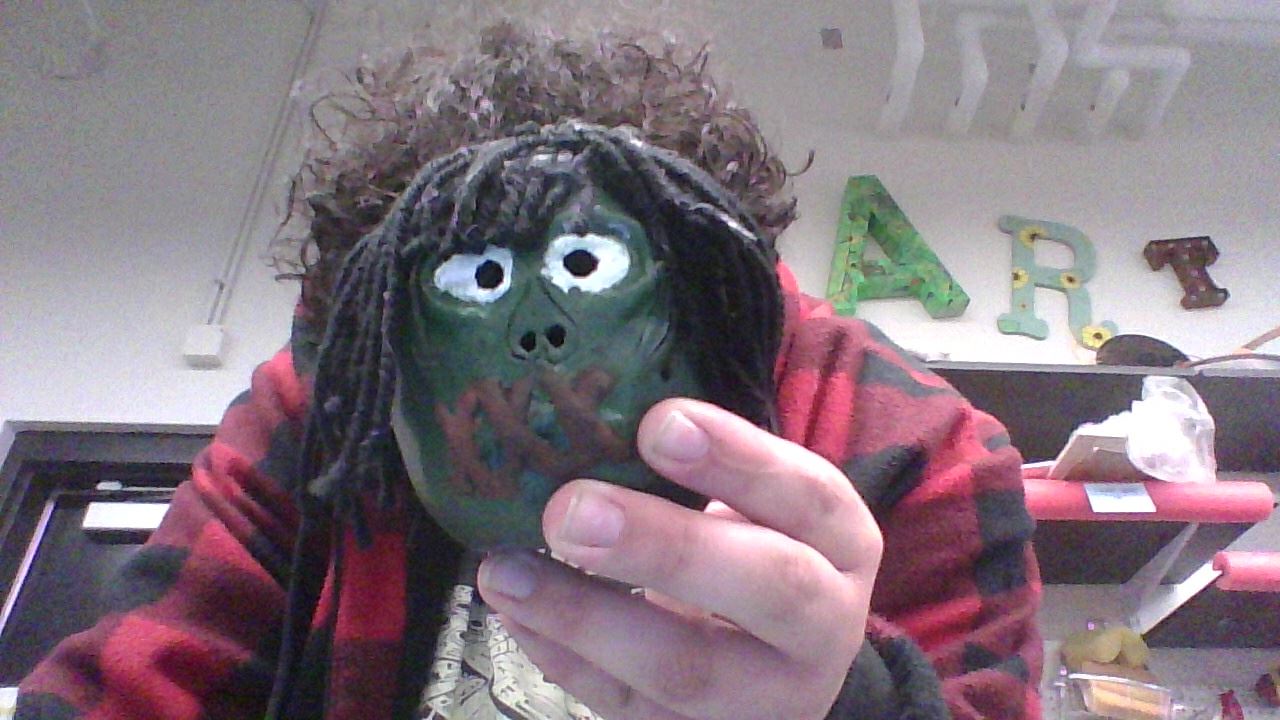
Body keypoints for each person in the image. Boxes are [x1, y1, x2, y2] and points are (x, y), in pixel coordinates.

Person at [16, 23, 1042, 720]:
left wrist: (853, 703)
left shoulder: (916, 442)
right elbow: (130, 684)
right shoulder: (332, 407)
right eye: (477, 281)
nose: (540, 337)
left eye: (587, 270)